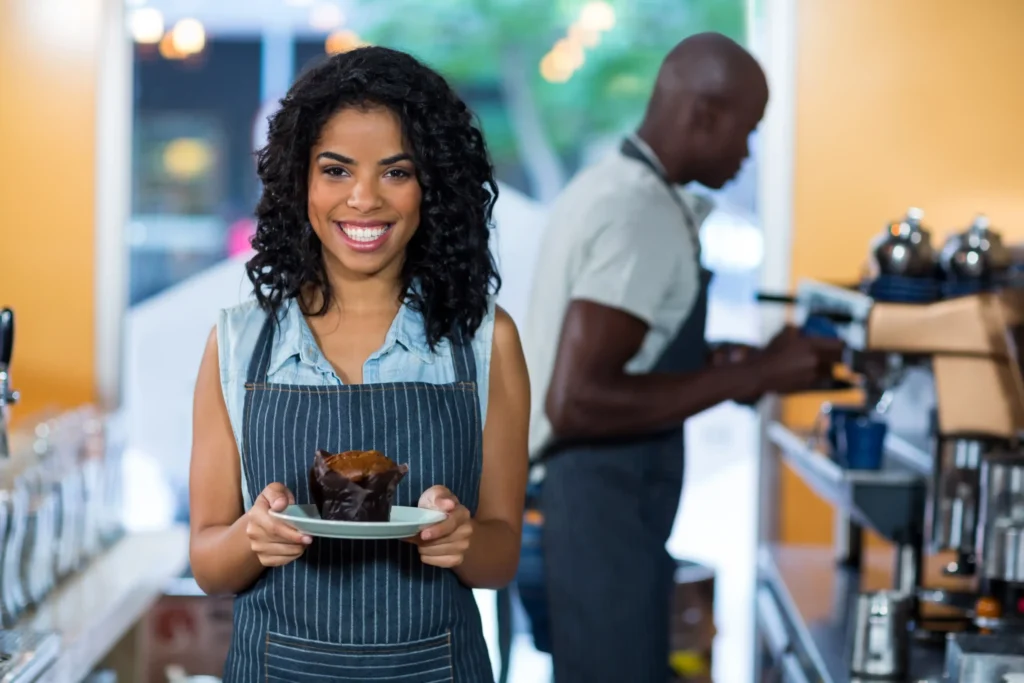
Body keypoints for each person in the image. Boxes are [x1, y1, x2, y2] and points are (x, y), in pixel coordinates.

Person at [188, 46, 530, 683]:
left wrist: (464, 540)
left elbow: (501, 552)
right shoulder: (237, 343)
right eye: (337, 170)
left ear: (435, 185)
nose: (364, 199)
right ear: (300, 181)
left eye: (396, 172)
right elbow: (208, 562)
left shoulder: (486, 340)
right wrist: (251, 537)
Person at [518, 33, 843, 683]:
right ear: (703, 115)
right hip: (593, 509)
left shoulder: (615, 185)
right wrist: (753, 374)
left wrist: (731, 365)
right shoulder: (637, 209)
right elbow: (577, 399)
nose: (748, 153)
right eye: (747, 132)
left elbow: (630, 358)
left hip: (595, 512)